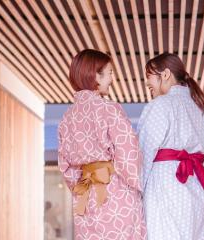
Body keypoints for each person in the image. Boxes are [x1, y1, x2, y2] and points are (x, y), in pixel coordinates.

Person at [58, 49, 146, 239]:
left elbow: (66, 167)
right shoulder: (109, 109)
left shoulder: (67, 117)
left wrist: (79, 188)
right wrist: (140, 185)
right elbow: (128, 152)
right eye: (110, 73)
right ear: (95, 76)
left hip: (85, 196)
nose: (112, 79)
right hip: (115, 193)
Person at [137, 53, 204, 240]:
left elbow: (144, 152)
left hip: (165, 182)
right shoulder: (199, 106)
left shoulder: (161, 104)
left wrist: (137, 192)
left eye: (150, 81)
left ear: (165, 74)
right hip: (193, 182)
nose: (149, 87)